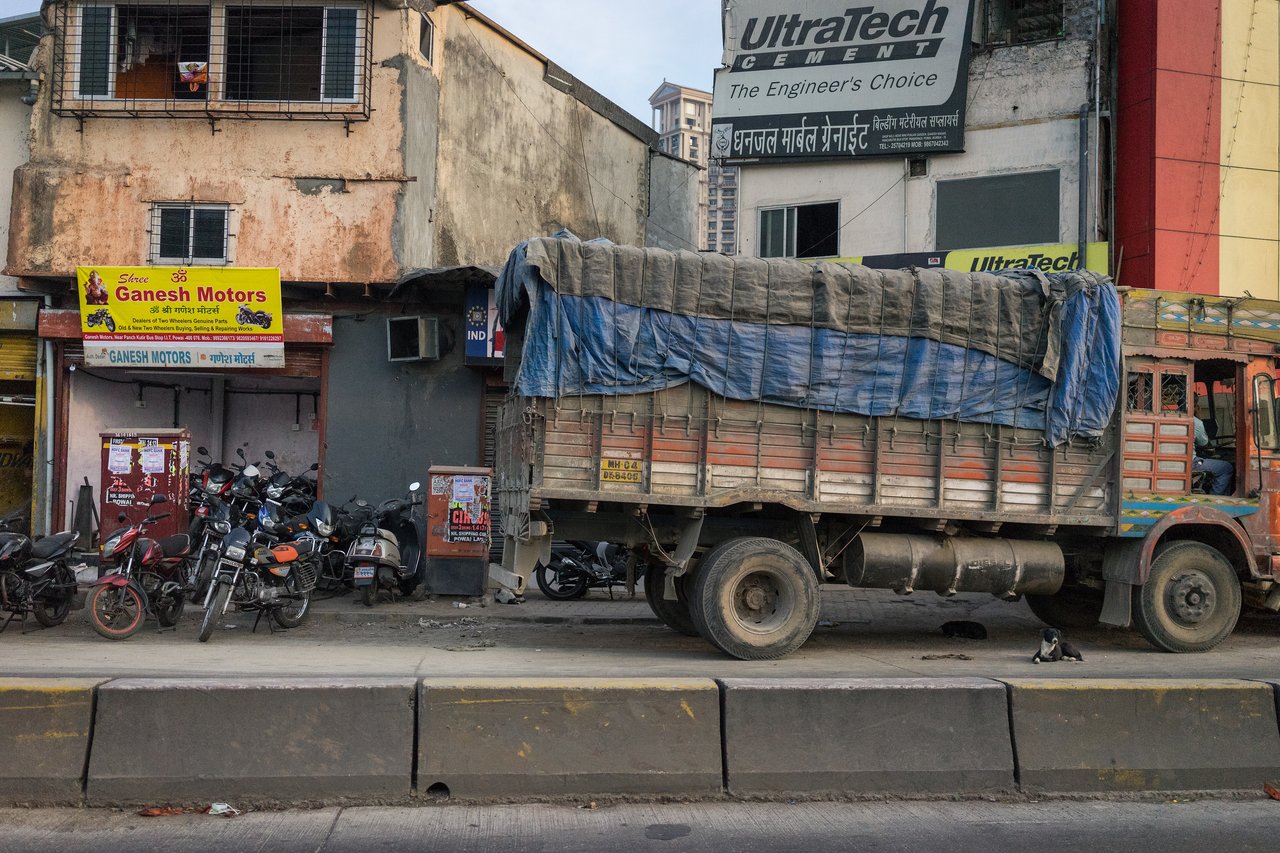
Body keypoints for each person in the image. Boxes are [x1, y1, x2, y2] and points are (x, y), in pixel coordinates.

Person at [1194, 414, 1233, 495]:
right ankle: (1215, 498)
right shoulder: (1195, 422)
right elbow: (1205, 445)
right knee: (1226, 468)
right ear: (1195, 407)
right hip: (1191, 463)